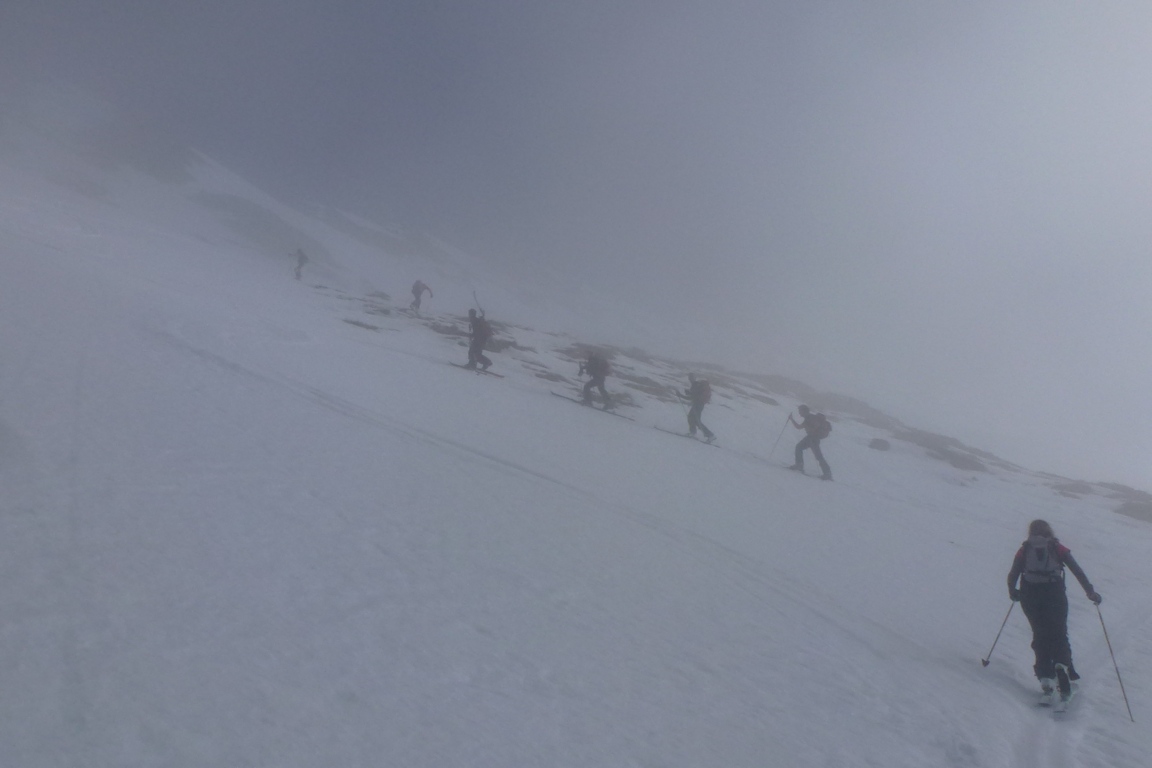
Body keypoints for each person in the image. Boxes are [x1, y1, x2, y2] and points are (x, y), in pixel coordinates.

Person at [1007, 519, 1102, 699]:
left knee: (1039, 634)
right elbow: (1077, 570)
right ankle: (1062, 667)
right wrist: (1091, 592)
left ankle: (1045, 678)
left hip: (1030, 596)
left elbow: (1013, 574)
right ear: (1049, 531)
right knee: (1059, 633)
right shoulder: (1057, 548)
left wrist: (1013, 592)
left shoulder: (1025, 549)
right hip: (1054, 595)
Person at [787, 405, 832, 480]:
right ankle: (827, 473)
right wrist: (792, 419)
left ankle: (827, 473)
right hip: (812, 438)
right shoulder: (809, 418)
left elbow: (801, 427)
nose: (799, 413)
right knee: (799, 447)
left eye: (800, 411)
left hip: (812, 438)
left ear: (804, 411)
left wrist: (812, 431)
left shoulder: (810, 418)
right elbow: (800, 427)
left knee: (817, 455)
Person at [679, 373, 714, 442]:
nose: (690, 379)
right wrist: (688, 394)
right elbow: (694, 396)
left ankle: (709, 435)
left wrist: (681, 395)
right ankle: (694, 432)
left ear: (694, 378)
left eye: (691, 377)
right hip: (699, 404)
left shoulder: (695, 385)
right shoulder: (697, 385)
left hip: (698, 404)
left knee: (696, 420)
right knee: (693, 418)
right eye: (690, 377)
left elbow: (692, 397)